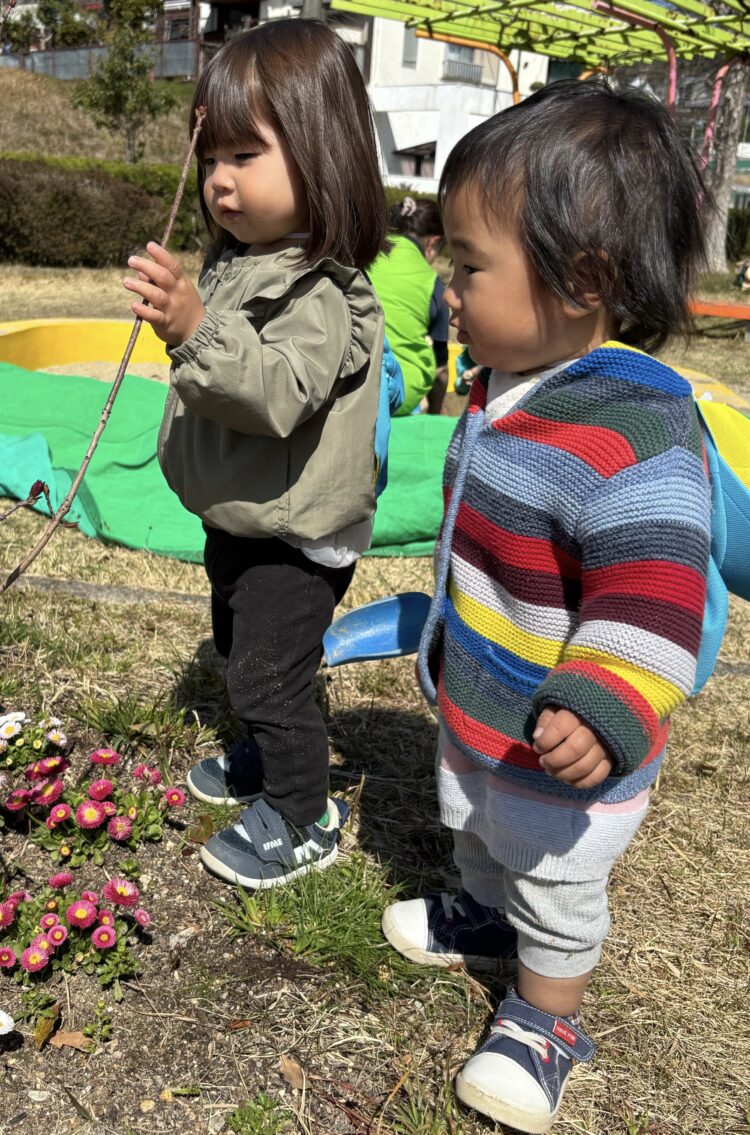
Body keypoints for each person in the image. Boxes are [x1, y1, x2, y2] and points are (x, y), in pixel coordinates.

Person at [381, 79, 712, 1133]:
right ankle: (486, 914)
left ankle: (547, 1019)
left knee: (557, 878)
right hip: (492, 693)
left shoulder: (634, 429)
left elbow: (656, 591)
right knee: (481, 822)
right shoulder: (510, 380)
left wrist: (608, 701)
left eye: (470, 265)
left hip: (570, 737)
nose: (448, 288)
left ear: (584, 278)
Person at [122, 19, 388, 890]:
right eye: (210, 158)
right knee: (239, 644)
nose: (220, 180)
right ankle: (267, 756)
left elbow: (276, 392)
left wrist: (195, 330)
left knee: (271, 675)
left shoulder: (323, 289)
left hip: (298, 533)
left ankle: (304, 813)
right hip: (246, 514)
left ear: (322, 155)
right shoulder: (241, 262)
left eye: (245, 154)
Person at [368, 197, 450, 415]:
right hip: (400, 392)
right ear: (434, 243)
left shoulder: (365, 254)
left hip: (348, 385)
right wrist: (436, 411)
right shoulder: (432, 283)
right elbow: (441, 367)